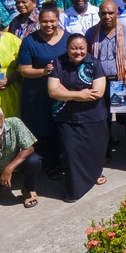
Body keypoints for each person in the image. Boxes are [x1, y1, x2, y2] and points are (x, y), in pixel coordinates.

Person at [48, 33, 110, 199]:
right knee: (70, 151)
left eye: (81, 48)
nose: (78, 52)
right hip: (67, 117)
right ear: (67, 48)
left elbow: (98, 92)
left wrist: (66, 93)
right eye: (73, 48)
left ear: (87, 48)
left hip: (93, 115)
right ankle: (75, 188)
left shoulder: (94, 63)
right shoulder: (58, 63)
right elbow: (53, 91)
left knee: (94, 149)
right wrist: (79, 95)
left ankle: (95, 173)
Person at [17, 5, 70, 178]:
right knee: (40, 128)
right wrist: (44, 72)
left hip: (62, 94)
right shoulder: (30, 41)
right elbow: (24, 70)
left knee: (60, 128)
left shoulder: (68, 39)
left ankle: (60, 163)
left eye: (52, 21)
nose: (48, 24)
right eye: (44, 21)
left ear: (58, 20)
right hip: (37, 94)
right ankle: (43, 165)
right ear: (39, 21)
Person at [87, 0, 126, 165]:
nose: (107, 16)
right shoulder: (91, 33)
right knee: (103, 120)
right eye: (104, 13)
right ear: (99, 15)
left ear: (117, 14)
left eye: (111, 13)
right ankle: (105, 152)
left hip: (120, 81)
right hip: (100, 82)